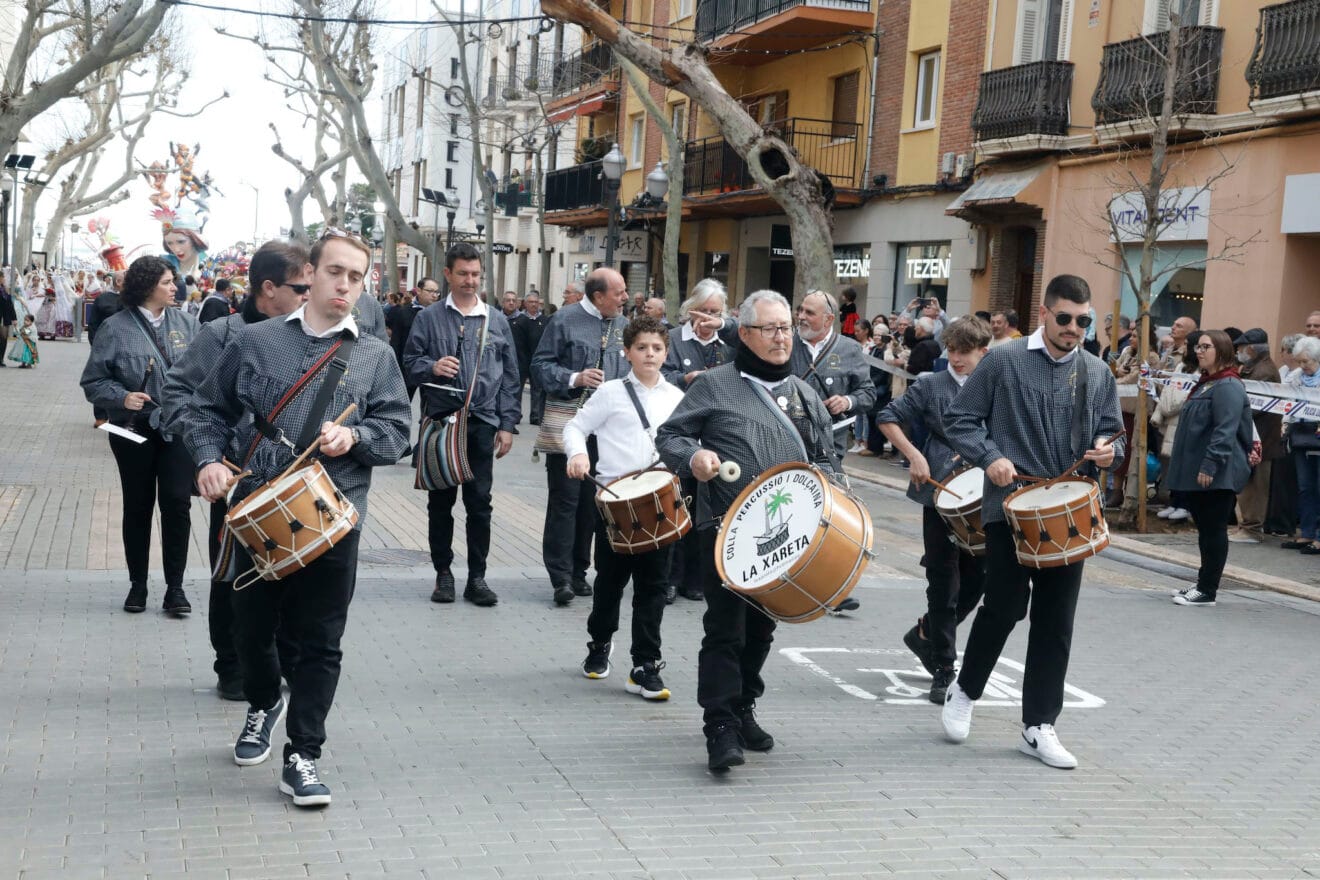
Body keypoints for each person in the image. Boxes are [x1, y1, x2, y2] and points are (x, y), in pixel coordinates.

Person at [186, 230, 410, 808]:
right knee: (250, 630)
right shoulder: (255, 341)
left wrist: (354, 435)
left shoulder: (375, 355)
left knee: (320, 640)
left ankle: (303, 755)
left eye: (357, 277)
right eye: (335, 271)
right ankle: (263, 703)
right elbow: (203, 407)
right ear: (310, 273)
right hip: (256, 508)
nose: (345, 285)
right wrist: (209, 459)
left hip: (333, 518)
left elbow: (397, 434)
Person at [941, 274, 1123, 770]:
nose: (1074, 328)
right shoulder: (1002, 359)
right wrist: (990, 456)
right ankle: (965, 689)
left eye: (1083, 321)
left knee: (1056, 620)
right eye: (1065, 318)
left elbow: (1114, 433)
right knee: (1004, 606)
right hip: (1010, 504)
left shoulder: (1096, 371)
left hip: (1069, 508)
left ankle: (1039, 726)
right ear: (1044, 313)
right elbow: (960, 419)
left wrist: (1109, 453)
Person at [656, 290, 840, 774]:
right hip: (726, 530)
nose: (782, 337)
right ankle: (718, 725)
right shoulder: (715, 385)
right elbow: (670, 436)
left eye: (787, 328)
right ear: (745, 333)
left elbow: (827, 459)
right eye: (771, 329)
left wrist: (836, 498)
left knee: (762, 628)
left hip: (788, 538)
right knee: (725, 629)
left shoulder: (803, 393)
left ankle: (742, 706)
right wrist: (693, 458)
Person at [160, 239, 311, 701]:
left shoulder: (309, 334)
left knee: (290, 576)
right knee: (232, 576)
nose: (310, 294)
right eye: (301, 286)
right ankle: (231, 664)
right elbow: (176, 394)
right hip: (234, 483)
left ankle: (279, 662)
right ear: (268, 288)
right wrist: (211, 453)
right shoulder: (222, 333)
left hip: (293, 483)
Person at [565, 315, 684, 699]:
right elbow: (575, 428)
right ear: (627, 352)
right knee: (610, 583)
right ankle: (599, 644)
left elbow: (691, 440)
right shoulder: (612, 393)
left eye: (657, 348)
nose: (650, 354)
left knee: (654, 587)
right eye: (642, 348)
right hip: (615, 502)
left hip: (660, 502)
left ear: (666, 353)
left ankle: (644, 665)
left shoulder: (677, 398)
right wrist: (578, 456)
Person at [878, 317, 992, 703]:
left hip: (982, 492)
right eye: (952, 352)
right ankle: (944, 667)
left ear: (983, 352)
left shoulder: (996, 385)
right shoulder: (930, 384)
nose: (956, 359)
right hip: (938, 493)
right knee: (944, 581)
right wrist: (913, 455)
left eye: (965, 353)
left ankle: (925, 632)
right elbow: (887, 418)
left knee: (977, 581)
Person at [80, 255, 200, 615]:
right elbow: (93, 381)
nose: (173, 287)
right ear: (148, 286)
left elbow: (206, 374)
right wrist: (122, 397)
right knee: (137, 505)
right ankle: (138, 586)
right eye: (166, 282)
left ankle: (175, 589)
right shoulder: (115, 328)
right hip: (131, 429)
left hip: (177, 428)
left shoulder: (187, 324)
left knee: (178, 504)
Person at [404, 243, 520, 607]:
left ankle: (478, 578)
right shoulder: (428, 317)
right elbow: (408, 362)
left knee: (479, 504)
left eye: (475, 274)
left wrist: (508, 424)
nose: (470, 281)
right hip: (441, 423)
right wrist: (432, 366)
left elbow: (511, 378)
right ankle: (443, 574)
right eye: (463, 274)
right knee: (440, 502)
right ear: (448, 275)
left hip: (483, 423)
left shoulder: (495, 319)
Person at [531, 267, 630, 606]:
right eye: (620, 293)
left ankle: (579, 571)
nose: (625, 298)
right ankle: (559, 576)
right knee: (565, 502)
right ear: (598, 296)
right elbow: (540, 367)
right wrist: (576, 377)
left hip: (609, 433)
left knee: (594, 504)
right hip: (569, 427)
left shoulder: (623, 325)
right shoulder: (564, 320)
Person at [1165, 330, 1255, 607]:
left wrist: (1210, 464)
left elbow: (1224, 431)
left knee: (1214, 529)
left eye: (1206, 347)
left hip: (1218, 472)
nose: (1199, 351)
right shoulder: (1208, 383)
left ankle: (1207, 591)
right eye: (1199, 346)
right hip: (1202, 471)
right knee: (1205, 529)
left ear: (1222, 351)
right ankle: (1203, 583)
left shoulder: (1228, 385)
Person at [662, 278, 735, 604]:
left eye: (714, 312)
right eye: (703, 311)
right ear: (690, 309)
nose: (707, 319)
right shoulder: (674, 340)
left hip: (718, 436)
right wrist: (684, 379)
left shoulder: (729, 345)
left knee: (709, 511)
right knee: (679, 505)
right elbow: (656, 375)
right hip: (681, 432)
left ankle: (697, 578)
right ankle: (670, 578)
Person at [790, 290, 876, 459]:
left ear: (828, 319)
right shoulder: (786, 343)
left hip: (829, 444)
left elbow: (868, 394)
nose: (801, 316)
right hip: (788, 438)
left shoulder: (850, 349)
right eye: (800, 310)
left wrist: (847, 402)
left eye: (809, 313)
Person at [1228, 328, 1282, 544]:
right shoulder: (1254, 368)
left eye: (1241, 347)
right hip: (1251, 435)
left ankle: (1252, 528)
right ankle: (1245, 525)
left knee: (1256, 486)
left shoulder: (1265, 372)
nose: (1239, 351)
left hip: (1262, 438)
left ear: (1252, 349)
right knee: (1247, 484)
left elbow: (1255, 406)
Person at [1282, 336, 1320, 554]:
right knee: (1305, 487)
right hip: (1301, 436)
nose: (1303, 366)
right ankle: (1306, 532)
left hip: (1317, 433)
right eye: (1300, 361)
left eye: (1307, 361)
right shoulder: (1294, 377)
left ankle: (1318, 537)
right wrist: (1285, 422)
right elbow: (1285, 404)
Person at [387, 276, 438, 402]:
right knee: (401, 406)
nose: (434, 295)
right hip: (407, 369)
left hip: (431, 369)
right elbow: (396, 343)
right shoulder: (403, 312)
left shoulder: (440, 315)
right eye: (430, 291)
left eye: (436, 292)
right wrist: (395, 370)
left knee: (431, 412)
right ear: (419, 291)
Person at [511, 291, 549, 425]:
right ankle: (515, 415)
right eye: (531, 302)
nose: (534, 305)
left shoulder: (545, 321)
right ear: (525, 304)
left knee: (537, 389)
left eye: (536, 302)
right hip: (521, 360)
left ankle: (536, 416)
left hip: (538, 360)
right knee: (517, 389)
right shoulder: (518, 321)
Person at [162, 221, 208, 303]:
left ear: (195, 239)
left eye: (181, 242)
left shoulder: (208, 267)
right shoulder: (164, 265)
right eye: (169, 243)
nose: (176, 249)